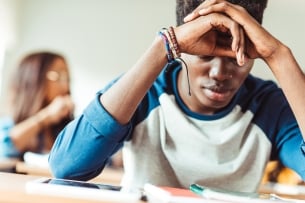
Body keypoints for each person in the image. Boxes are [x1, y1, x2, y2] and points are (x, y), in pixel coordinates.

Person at [49, 0, 305, 193]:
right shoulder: (145, 90)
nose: (219, 73)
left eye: (238, 57)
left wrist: (279, 57)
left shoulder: (270, 105)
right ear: (185, 44)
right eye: (205, 54)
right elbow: (67, 168)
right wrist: (163, 46)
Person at [0, 51, 74, 159]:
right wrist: (46, 116)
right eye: (57, 76)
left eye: (66, 78)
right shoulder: (10, 122)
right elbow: (5, 147)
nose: (65, 86)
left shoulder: (64, 126)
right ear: (33, 79)